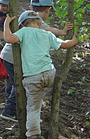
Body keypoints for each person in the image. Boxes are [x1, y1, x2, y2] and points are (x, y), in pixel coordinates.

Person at [0, 0, 73, 122]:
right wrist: (63, 32)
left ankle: (12, 105)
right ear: (48, 10)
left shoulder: (27, 18)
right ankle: (9, 111)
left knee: (14, 82)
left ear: (31, 7)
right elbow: (48, 30)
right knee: (19, 85)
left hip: (6, 55)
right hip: (12, 57)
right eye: (49, 12)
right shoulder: (35, 20)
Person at [4, 11, 77, 139]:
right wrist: (74, 40)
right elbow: (65, 44)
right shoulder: (47, 34)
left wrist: (6, 23)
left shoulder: (24, 32)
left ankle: (33, 134)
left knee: (33, 107)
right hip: (49, 73)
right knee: (39, 95)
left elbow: (8, 39)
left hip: (33, 76)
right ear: (39, 24)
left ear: (22, 25)